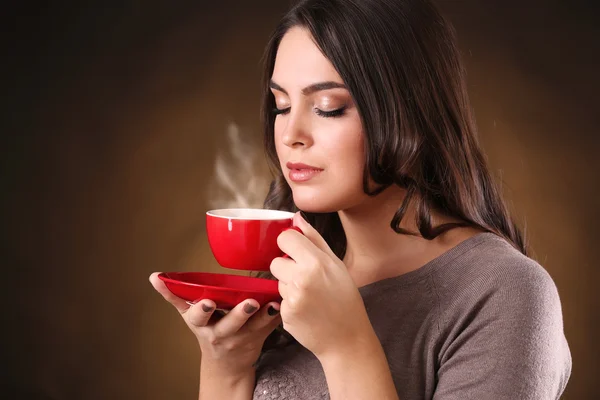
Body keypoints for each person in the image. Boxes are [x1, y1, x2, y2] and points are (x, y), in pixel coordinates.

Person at [150, 0, 572, 398]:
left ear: (409, 111)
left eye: (329, 107)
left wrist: (347, 347)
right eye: (280, 105)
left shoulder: (503, 292)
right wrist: (226, 364)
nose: (291, 134)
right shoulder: (289, 278)